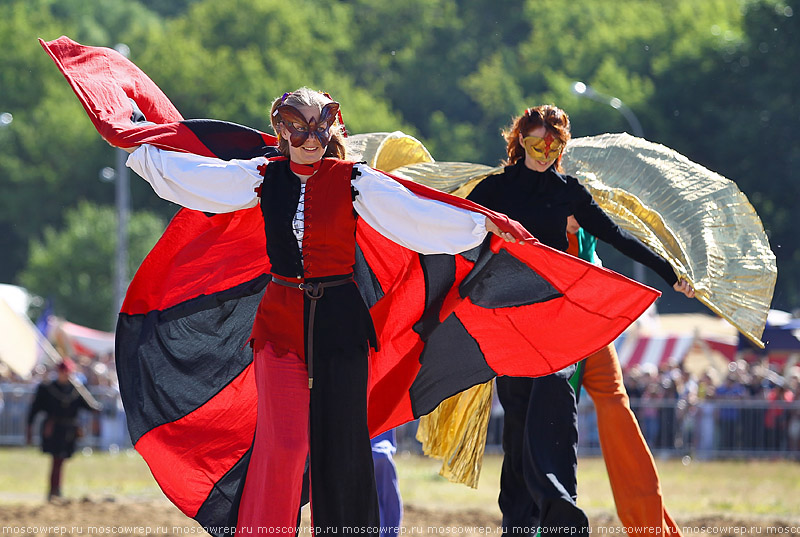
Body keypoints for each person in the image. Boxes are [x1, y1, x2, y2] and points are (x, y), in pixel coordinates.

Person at [118, 87, 523, 534]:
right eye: (299, 126)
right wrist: (138, 146)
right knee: (286, 445)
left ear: (331, 127)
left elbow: (412, 213)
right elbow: (200, 178)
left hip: (341, 326)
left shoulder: (354, 180)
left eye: (319, 125)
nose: (311, 137)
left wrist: (482, 223)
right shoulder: (262, 177)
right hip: (280, 324)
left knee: (342, 448)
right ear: (281, 130)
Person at [466, 105, 694, 535]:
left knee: (554, 396)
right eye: (535, 142)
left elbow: (617, 236)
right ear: (519, 141)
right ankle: (518, 523)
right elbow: (454, 225)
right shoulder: (494, 189)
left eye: (554, 144)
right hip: (509, 314)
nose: (544, 151)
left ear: (563, 146)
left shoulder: (569, 191)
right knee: (516, 418)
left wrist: (671, 272)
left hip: (556, 316)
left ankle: (559, 512)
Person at [566, 217, 684, 536]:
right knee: (551, 427)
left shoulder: (583, 202)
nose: (575, 216)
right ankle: (542, 522)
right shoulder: (530, 203)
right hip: (555, 335)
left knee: (617, 413)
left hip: (591, 330)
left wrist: (671, 275)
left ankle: (650, 526)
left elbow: (624, 240)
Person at [26, 358, 101, 501]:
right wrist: (29, 429)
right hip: (54, 429)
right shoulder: (47, 389)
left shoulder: (77, 389)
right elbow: (34, 410)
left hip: (69, 430)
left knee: (61, 460)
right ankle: (54, 490)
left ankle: (56, 490)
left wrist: (95, 407)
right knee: (56, 459)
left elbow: (90, 407)